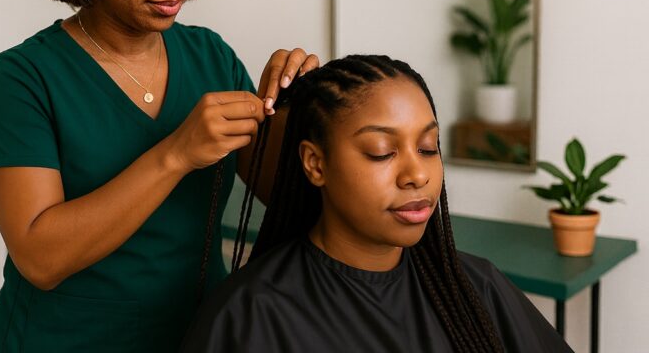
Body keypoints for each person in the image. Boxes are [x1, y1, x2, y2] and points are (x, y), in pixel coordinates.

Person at [0, 0, 317, 351]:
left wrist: (297, 107)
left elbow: (284, 195)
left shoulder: (210, 57)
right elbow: (40, 259)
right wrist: (176, 154)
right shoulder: (23, 76)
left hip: (197, 335)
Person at [181, 55, 573, 353]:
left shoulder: (473, 287)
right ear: (315, 164)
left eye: (427, 147)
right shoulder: (250, 314)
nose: (416, 174)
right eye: (381, 152)